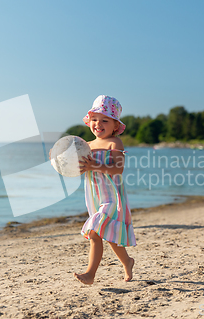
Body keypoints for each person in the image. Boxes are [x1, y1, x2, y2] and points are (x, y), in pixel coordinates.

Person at [74, 95, 136, 285]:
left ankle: (90, 274)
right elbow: (75, 165)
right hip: (94, 197)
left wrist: (94, 166)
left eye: (105, 120)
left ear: (115, 126)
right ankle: (128, 262)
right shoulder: (87, 146)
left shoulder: (114, 143)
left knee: (94, 231)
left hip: (112, 197)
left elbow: (118, 168)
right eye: (94, 119)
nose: (98, 124)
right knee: (110, 237)